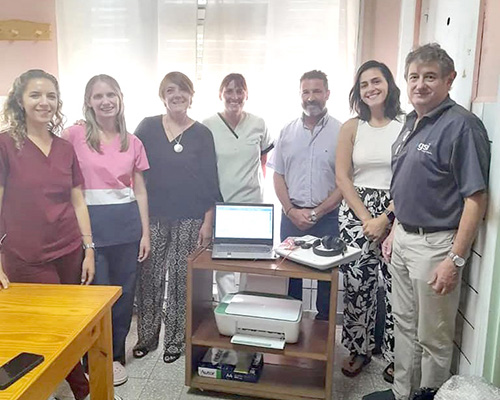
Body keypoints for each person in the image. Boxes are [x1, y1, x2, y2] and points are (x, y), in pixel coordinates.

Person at [364, 43, 490, 400]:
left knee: (433, 334)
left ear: (449, 80)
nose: (420, 84)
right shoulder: (411, 121)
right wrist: (395, 228)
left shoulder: (462, 126)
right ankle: (402, 393)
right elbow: (407, 184)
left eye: (430, 77)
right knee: (405, 325)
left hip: (436, 245)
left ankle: (428, 395)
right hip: (404, 237)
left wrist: (455, 259)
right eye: (414, 77)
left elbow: (475, 199)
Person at [0, 69, 94, 400]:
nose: (44, 102)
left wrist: (89, 248)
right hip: (26, 255)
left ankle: (67, 388)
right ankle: (80, 390)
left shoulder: (65, 148)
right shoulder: (4, 145)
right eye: (35, 95)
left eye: (51, 96)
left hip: (69, 249)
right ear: (20, 101)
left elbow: (78, 200)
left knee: (70, 324)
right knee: (46, 328)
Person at [63, 74, 150, 386]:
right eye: (98, 96)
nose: (105, 101)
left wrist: (145, 233)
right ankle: (91, 358)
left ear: (120, 98)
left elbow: (140, 191)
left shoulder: (133, 142)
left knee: (124, 297)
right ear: (88, 101)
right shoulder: (73, 135)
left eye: (111, 95)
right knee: (96, 296)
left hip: (126, 229)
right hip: (91, 230)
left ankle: (114, 357)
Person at [133, 71, 222, 363]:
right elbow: (127, 156)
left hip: (190, 217)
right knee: (149, 276)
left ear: (191, 96)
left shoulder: (202, 133)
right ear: (163, 96)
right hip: (154, 216)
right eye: (170, 90)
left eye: (182, 90)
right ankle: (147, 337)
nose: (176, 95)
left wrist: (208, 222)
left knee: (182, 279)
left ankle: (175, 339)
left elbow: (210, 181)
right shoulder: (147, 127)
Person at [336, 61, 403, 380]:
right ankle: (358, 349)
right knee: (356, 285)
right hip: (356, 212)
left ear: (389, 84)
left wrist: (386, 218)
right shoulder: (352, 127)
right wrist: (367, 219)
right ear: (357, 91)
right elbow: (342, 176)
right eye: (364, 84)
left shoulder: (407, 124)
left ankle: (394, 356)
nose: (370, 88)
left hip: (397, 209)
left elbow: (411, 177)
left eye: (376, 81)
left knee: (395, 288)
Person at [268, 70, 342, 321]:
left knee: (326, 283)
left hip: (328, 218)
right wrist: (291, 211)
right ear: (300, 95)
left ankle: (323, 334)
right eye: (306, 92)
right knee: (291, 281)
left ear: (327, 94)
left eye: (317, 91)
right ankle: (291, 331)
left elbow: (344, 182)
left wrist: (317, 212)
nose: (311, 97)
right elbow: (278, 175)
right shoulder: (287, 131)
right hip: (291, 217)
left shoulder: (341, 132)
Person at [202, 73, 274, 300]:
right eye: (229, 91)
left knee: (252, 264)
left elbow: (263, 160)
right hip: (222, 206)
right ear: (220, 94)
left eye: (239, 91)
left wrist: (252, 186)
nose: (234, 96)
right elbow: (204, 169)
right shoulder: (208, 126)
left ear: (247, 94)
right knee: (224, 266)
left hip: (253, 206)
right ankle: (226, 310)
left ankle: (246, 311)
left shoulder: (258, 124)